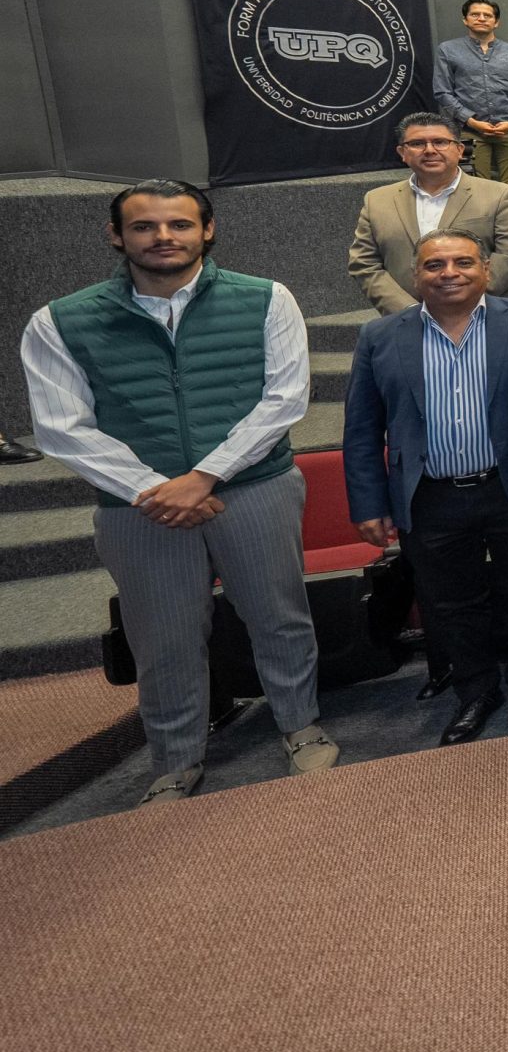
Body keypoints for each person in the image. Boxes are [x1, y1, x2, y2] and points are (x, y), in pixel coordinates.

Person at [21, 181, 333, 803]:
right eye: (144, 227)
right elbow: (61, 426)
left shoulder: (266, 299)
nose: (164, 237)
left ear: (206, 230)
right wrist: (154, 489)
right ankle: (175, 761)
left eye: (179, 225)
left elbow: (284, 400)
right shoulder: (60, 320)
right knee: (162, 636)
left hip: (253, 487)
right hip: (139, 507)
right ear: (117, 236)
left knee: (279, 618)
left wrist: (205, 476)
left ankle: (300, 726)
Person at [342, 231, 508, 743]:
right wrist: (369, 502)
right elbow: (362, 428)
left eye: (463, 262)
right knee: (449, 603)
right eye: (434, 265)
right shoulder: (380, 336)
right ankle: (475, 691)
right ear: (415, 276)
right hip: (429, 494)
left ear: (486, 270)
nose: (449, 273)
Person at [350, 113, 508, 313]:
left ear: (460, 149)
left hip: (482, 315)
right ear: (402, 152)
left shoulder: (499, 195)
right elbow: (364, 263)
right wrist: (407, 309)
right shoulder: (377, 200)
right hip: (405, 320)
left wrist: (459, 301)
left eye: (440, 142)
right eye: (417, 143)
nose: (429, 150)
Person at [433, 0, 508, 190]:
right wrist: (471, 121)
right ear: (465, 19)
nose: (481, 18)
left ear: (496, 22)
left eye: (487, 15)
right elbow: (442, 92)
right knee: (475, 189)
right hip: (470, 131)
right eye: (475, 14)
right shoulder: (448, 50)